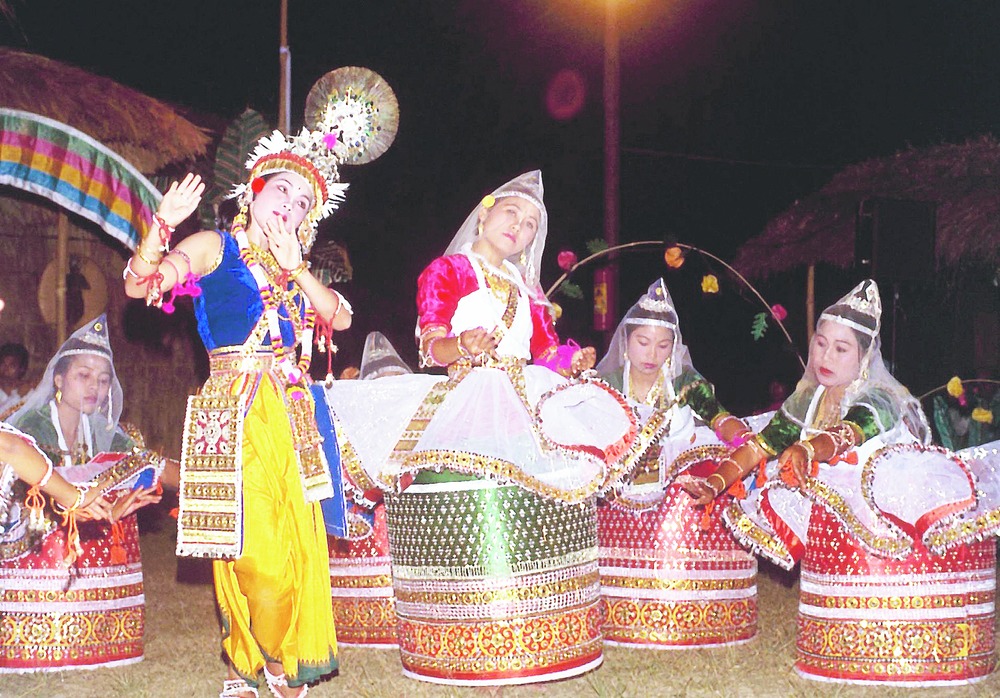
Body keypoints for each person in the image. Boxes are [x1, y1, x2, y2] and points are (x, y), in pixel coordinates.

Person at [325, 171, 656, 685]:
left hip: (527, 399)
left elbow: (545, 349)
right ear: (484, 213)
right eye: (511, 215)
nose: (518, 229)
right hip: (471, 397)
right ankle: (461, 635)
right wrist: (463, 347)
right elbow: (430, 345)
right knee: (476, 507)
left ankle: (538, 631)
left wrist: (572, 359)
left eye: (529, 225)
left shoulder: (528, 288)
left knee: (542, 500)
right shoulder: (449, 270)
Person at [124, 127, 352, 697]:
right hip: (233, 413)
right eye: (281, 190)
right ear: (253, 193)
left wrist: (297, 268)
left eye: (304, 202)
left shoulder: (294, 266)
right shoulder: (213, 247)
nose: (290, 206)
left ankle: (248, 668)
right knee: (255, 555)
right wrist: (162, 225)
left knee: (296, 546)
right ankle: (269, 660)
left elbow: (340, 319)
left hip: (295, 415)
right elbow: (140, 285)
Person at [685, 280, 1000, 685]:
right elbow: (758, 447)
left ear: (865, 357)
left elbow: (851, 432)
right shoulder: (809, 398)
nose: (825, 356)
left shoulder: (881, 396)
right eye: (820, 343)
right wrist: (715, 482)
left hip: (893, 493)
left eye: (841, 348)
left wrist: (807, 451)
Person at [595, 279, 758, 648]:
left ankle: (688, 595)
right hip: (619, 482)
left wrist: (745, 440)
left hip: (672, 478)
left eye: (663, 345)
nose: (652, 353)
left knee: (704, 474)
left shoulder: (684, 381)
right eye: (643, 342)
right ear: (626, 342)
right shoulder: (605, 382)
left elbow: (718, 418)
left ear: (673, 348)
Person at [1, 315, 165, 673]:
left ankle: (102, 630)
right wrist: (80, 498)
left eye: (104, 380)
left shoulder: (105, 429)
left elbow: (150, 465)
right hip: (24, 533)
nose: (95, 387)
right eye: (84, 376)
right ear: (58, 379)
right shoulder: (29, 425)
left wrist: (216, 476)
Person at [0, 341, 29, 416]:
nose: (5, 369)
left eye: (12, 366)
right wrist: (17, 397)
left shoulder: (28, 392)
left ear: (22, 368)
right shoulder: (20, 394)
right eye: (2, 364)